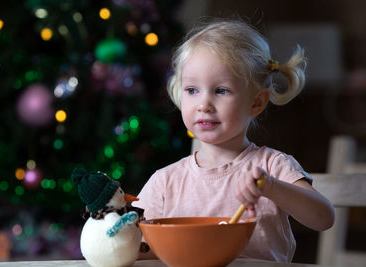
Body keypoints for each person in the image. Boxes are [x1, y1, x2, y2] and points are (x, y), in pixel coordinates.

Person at [133, 18, 335, 262]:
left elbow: (324, 218)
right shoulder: (165, 183)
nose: (204, 105)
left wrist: (272, 188)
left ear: (257, 102)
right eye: (192, 90)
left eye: (221, 90)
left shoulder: (271, 167)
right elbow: (140, 248)